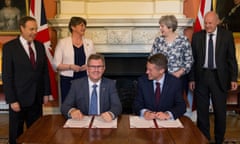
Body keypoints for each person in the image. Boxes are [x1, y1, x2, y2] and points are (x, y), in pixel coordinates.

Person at [189, 11, 238, 144]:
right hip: (201, 77)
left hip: (219, 78)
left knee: (220, 112)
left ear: (217, 22)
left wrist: (233, 78)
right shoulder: (197, 36)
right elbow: (192, 60)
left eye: (210, 23)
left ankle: (219, 140)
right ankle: (203, 139)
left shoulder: (226, 36)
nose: (207, 25)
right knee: (202, 112)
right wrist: (192, 79)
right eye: (205, 23)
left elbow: (231, 59)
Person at [2, 16, 51, 144]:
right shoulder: (9, 48)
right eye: (31, 29)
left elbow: (44, 72)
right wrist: (12, 100)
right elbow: (7, 76)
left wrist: (46, 92)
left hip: (36, 98)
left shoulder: (40, 46)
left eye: (35, 29)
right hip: (18, 99)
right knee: (16, 134)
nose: (34, 32)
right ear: (22, 29)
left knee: (36, 132)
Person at [61, 54, 122, 122]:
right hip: (82, 123)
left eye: (99, 67)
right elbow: (65, 106)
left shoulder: (110, 84)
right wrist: (72, 111)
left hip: (103, 123)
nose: (96, 70)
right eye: (93, 66)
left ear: (104, 68)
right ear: (87, 68)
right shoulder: (76, 84)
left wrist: (111, 114)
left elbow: (117, 106)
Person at [150, 15, 193, 109]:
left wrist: (179, 73)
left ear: (170, 27)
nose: (160, 28)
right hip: (161, 78)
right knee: (162, 104)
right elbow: (152, 59)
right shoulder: (158, 41)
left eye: (162, 26)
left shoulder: (183, 40)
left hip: (178, 78)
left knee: (177, 105)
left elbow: (189, 60)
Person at [54, 16, 96, 103]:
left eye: (84, 25)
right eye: (81, 25)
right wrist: (70, 66)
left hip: (85, 78)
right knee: (69, 104)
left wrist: (88, 66)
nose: (84, 27)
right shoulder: (63, 43)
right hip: (67, 80)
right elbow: (56, 64)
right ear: (73, 27)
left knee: (84, 104)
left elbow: (94, 61)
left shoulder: (89, 43)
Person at [133, 53, 186, 120]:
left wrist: (167, 114)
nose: (147, 72)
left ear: (161, 70)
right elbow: (137, 104)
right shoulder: (142, 81)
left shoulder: (174, 83)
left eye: (150, 70)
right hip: (147, 122)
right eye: (147, 69)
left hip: (167, 124)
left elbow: (181, 106)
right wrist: (145, 113)